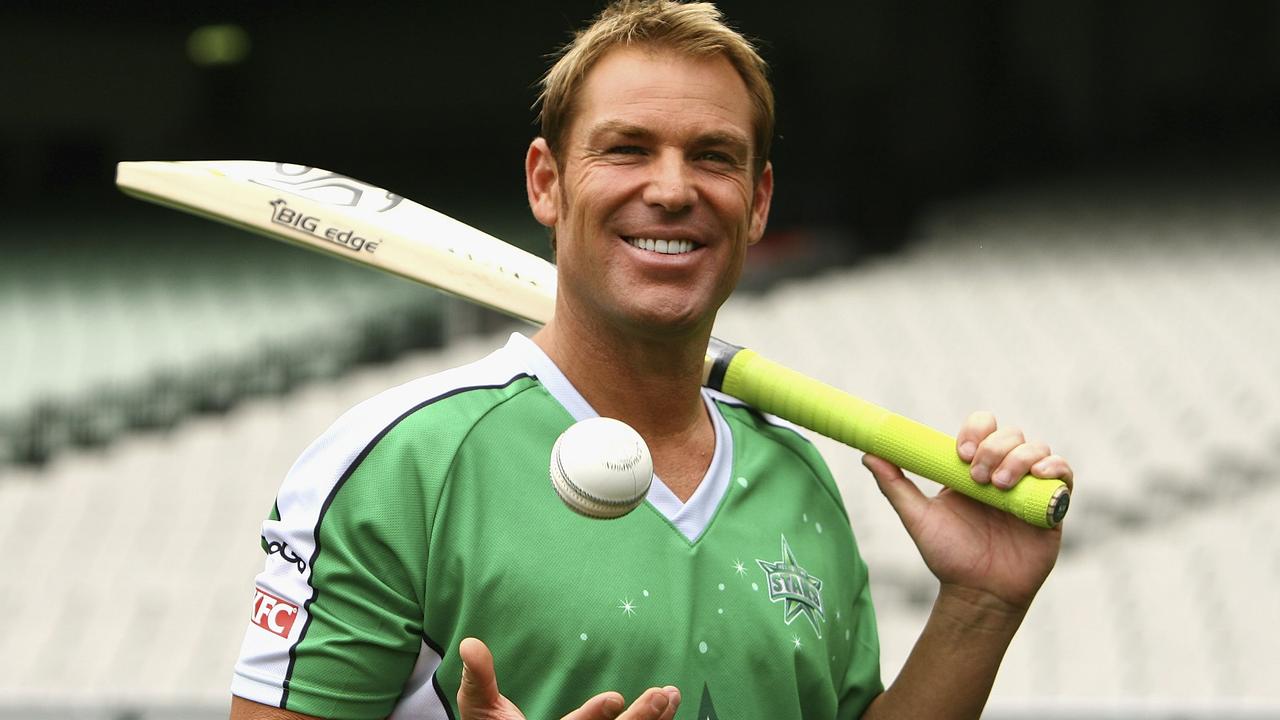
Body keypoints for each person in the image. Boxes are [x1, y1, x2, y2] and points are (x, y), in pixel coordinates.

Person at [229, 2, 1073, 719]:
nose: (672, 188)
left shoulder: (798, 479)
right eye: (627, 149)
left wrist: (980, 605)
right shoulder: (401, 466)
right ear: (547, 183)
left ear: (758, 203)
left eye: (713, 156)